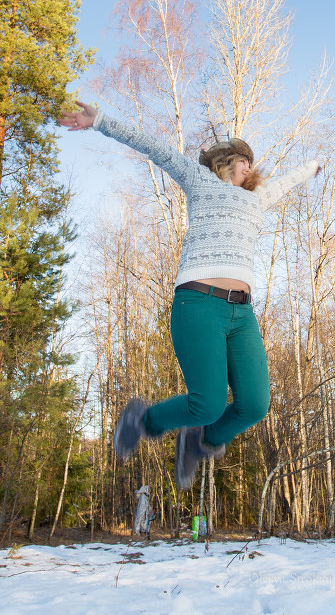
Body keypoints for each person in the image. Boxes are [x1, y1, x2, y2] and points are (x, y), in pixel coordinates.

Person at [60, 102, 319, 488]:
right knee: (208, 403)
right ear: (224, 163)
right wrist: (99, 121)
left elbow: (282, 184)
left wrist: (310, 168)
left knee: (254, 404)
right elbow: (155, 148)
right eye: (243, 161)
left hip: (242, 316)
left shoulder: (255, 199)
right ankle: (142, 419)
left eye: (251, 162)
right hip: (198, 304)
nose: (250, 167)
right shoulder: (201, 182)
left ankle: (200, 441)